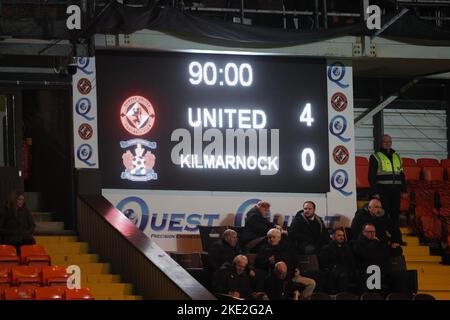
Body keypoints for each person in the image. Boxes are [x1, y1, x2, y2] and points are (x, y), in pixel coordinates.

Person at [369, 134, 407, 244]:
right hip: (382, 190)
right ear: (381, 143)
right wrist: (375, 192)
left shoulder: (397, 156)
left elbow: (402, 174)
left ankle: (396, 239)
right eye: (385, 142)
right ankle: (382, 237)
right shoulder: (375, 156)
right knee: (382, 215)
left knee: (395, 215)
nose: (388, 144)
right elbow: (371, 176)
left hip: (396, 190)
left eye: (389, 142)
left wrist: (404, 190)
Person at [352, 223, 391, 292]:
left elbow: (385, 255)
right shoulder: (357, 243)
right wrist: (374, 242)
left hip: (378, 269)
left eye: (373, 232)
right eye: (369, 232)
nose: (372, 234)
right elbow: (365, 255)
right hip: (364, 270)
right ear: (363, 232)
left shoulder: (377, 242)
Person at [319, 228, 356, 293]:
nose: (341, 237)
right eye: (339, 235)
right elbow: (324, 264)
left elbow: (351, 262)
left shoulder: (347, 248)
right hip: (334, 271)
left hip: (346, 271)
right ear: (333, 237)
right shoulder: (327, 249)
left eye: (342, 235)